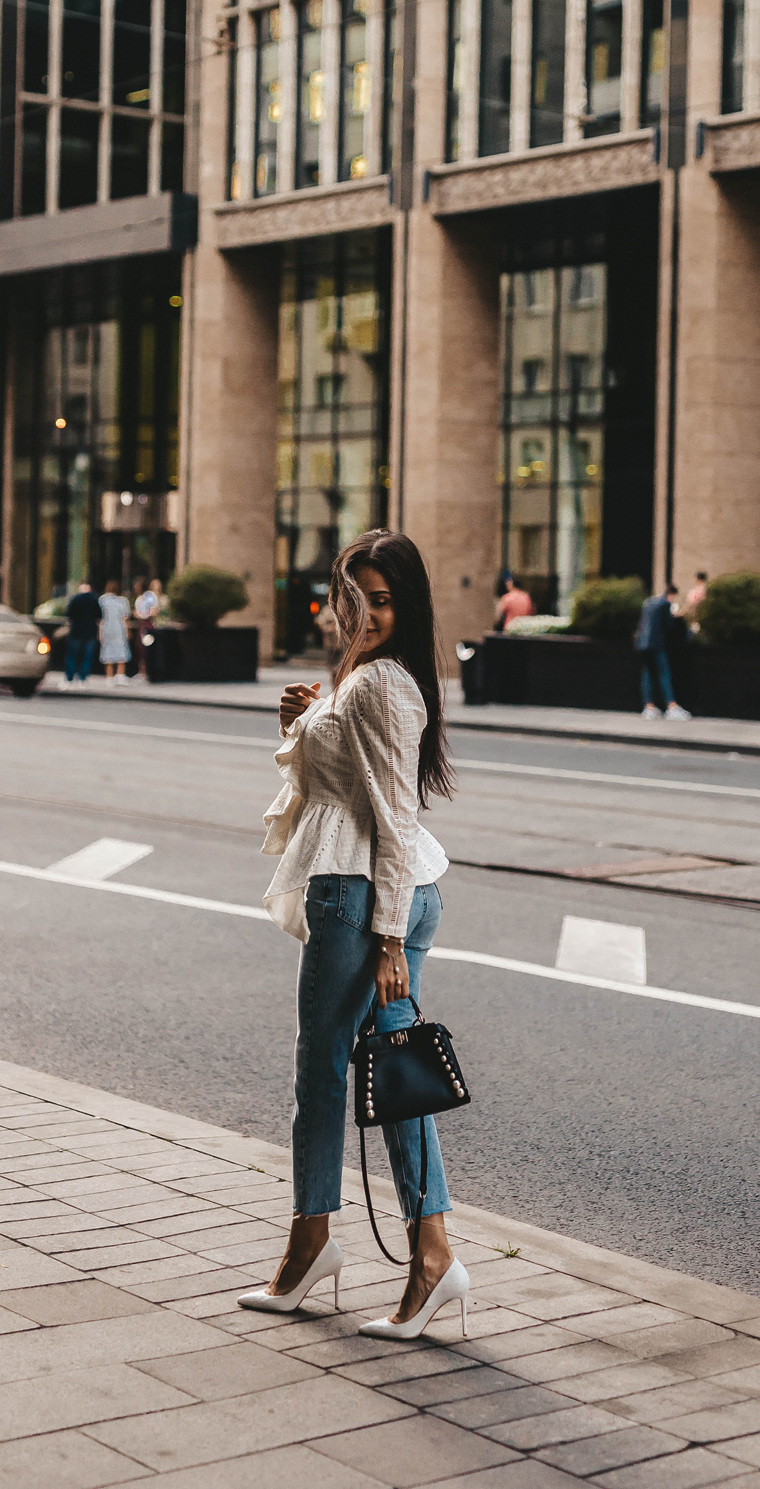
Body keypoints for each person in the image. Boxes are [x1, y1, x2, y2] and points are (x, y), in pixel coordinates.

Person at [241, 528, 468, 1341]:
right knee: (397, 1074)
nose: (365, 613)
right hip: (386, 894)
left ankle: (310, 1246)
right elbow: (346, 781)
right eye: (354, 596)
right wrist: (305, 720)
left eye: (382, 600)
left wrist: (387, 943)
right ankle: (431, 1255)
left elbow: (393, 817)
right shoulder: (373, 679)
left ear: (405, 606)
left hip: (361, 894)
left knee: (323, 1074)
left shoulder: (377, 683)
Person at [634, 584, 690, 719]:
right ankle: (671, 706)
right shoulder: (665, 604)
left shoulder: (648, 602)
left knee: (648, 673)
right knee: (664, 673)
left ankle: (649, 707)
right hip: (656, 643)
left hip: (642, 643)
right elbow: (669, 624)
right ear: (672, 594)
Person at [64, 581, 101, 685]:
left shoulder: (75, 599)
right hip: (90, 632)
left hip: (76, 631)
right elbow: (99, 617)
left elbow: (69, 615)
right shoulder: (94, 600)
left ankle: (70, 677)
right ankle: (82, 678)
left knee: (72, 655)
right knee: (87, 657)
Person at [99, 578, 131, 684]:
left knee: (107, 651)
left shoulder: (102, 600)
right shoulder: (122, 601)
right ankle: (120, 675)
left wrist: (99, 632)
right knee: (121, 651)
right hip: (119, 628)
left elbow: (100, 618)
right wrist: (127, 631)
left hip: (106, 628)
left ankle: (109, 676)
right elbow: (125, 618)